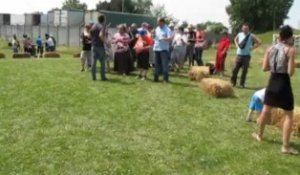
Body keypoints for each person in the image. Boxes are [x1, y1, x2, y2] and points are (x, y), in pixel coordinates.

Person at [253, 25, 298, 155]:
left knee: (266, 110)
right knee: (289, 116)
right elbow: (290, 72)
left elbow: (264, 68)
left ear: (280, 36)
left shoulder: (269, 49)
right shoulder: (290, 50)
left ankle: (259, 135)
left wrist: (275, 67)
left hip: (272, 82)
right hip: (283, 83)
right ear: (289, 37)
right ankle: (285, 146)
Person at [231, 23, 261, 88]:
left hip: (246, 56)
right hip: (238, 55)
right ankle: (233, 83)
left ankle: (242, 84)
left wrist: (252, 48)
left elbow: (259, 42)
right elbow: (235, 39)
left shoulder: (251, 35)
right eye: (244, 28)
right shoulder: (239, 34)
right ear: (242, 28)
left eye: (246, 28)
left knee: (244, 71)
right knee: (234, 70)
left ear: (248, 29)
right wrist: (237, 45)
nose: (245, 29)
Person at [153, 18, 173, 83]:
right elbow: (154, 37)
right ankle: (156, 78)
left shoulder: (167, 29)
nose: (157, 23)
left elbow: (170, 39)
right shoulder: (157, 28)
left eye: (158, 22)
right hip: (156, 48)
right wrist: (153, 34)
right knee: (156, 64)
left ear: (162, 22)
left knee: (165, 65)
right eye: (157, 22)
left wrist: (164, 39)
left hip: (164, 49)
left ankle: (165, 79)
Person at [90, 15, 107, 81]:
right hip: (100, 46)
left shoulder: (93, 26)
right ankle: (103, 77)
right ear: (103, 19)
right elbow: (100, 35)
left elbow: (90, 34)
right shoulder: (101, 26)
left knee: (93, 63)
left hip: (93, 46)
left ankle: (93, 77)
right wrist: (106, 42)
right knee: (102, 62)